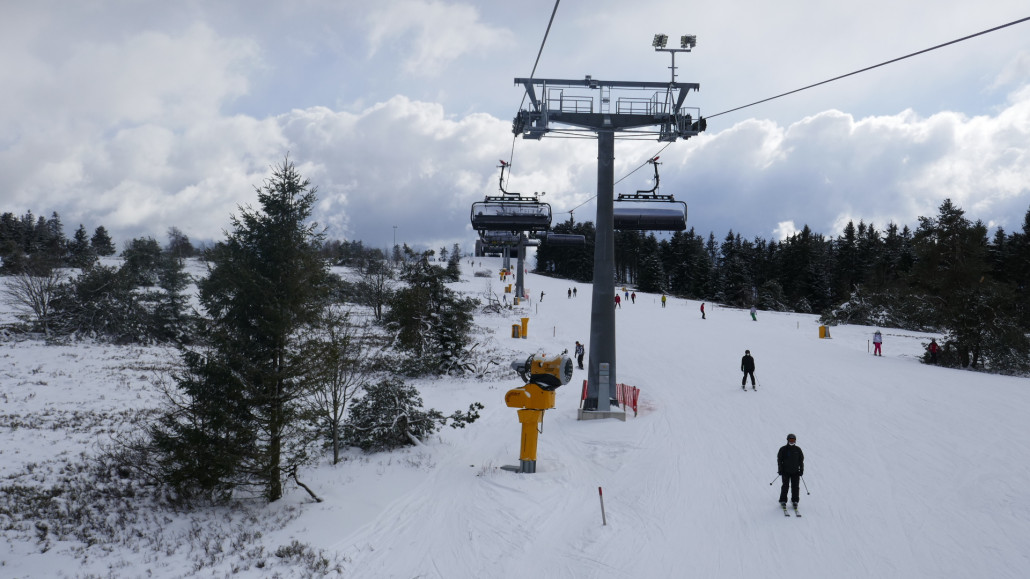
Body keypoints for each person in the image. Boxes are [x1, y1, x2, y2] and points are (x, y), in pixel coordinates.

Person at [777, 433, 804, 509]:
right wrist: (780, 469)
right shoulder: (783, 449)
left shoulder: (798, 449)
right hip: (785, 471)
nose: (791, 441)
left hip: (795, 472)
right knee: (785, 486)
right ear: (787, 440)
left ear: (795, 441)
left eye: (793, 440)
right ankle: (783, 500)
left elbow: (801, 460)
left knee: (795, 487)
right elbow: (779, 460)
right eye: (790, 440)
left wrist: (801, 470)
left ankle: (795, 501)